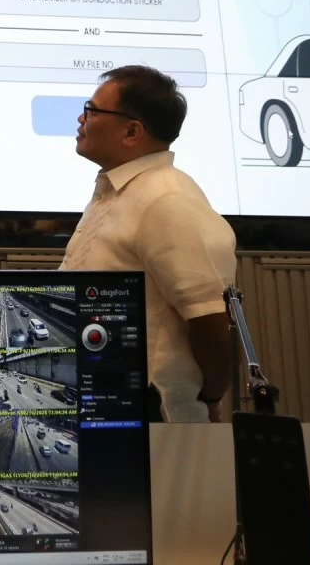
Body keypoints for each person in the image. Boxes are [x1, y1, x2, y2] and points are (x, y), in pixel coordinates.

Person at [61, 65, 234, 422]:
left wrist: (211, 397)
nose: (81, 118)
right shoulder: (115, 194)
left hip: (153, 417)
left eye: (92, 111)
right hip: (108, 404)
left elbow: (211, 320)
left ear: (132, 131)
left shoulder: (167, 199)